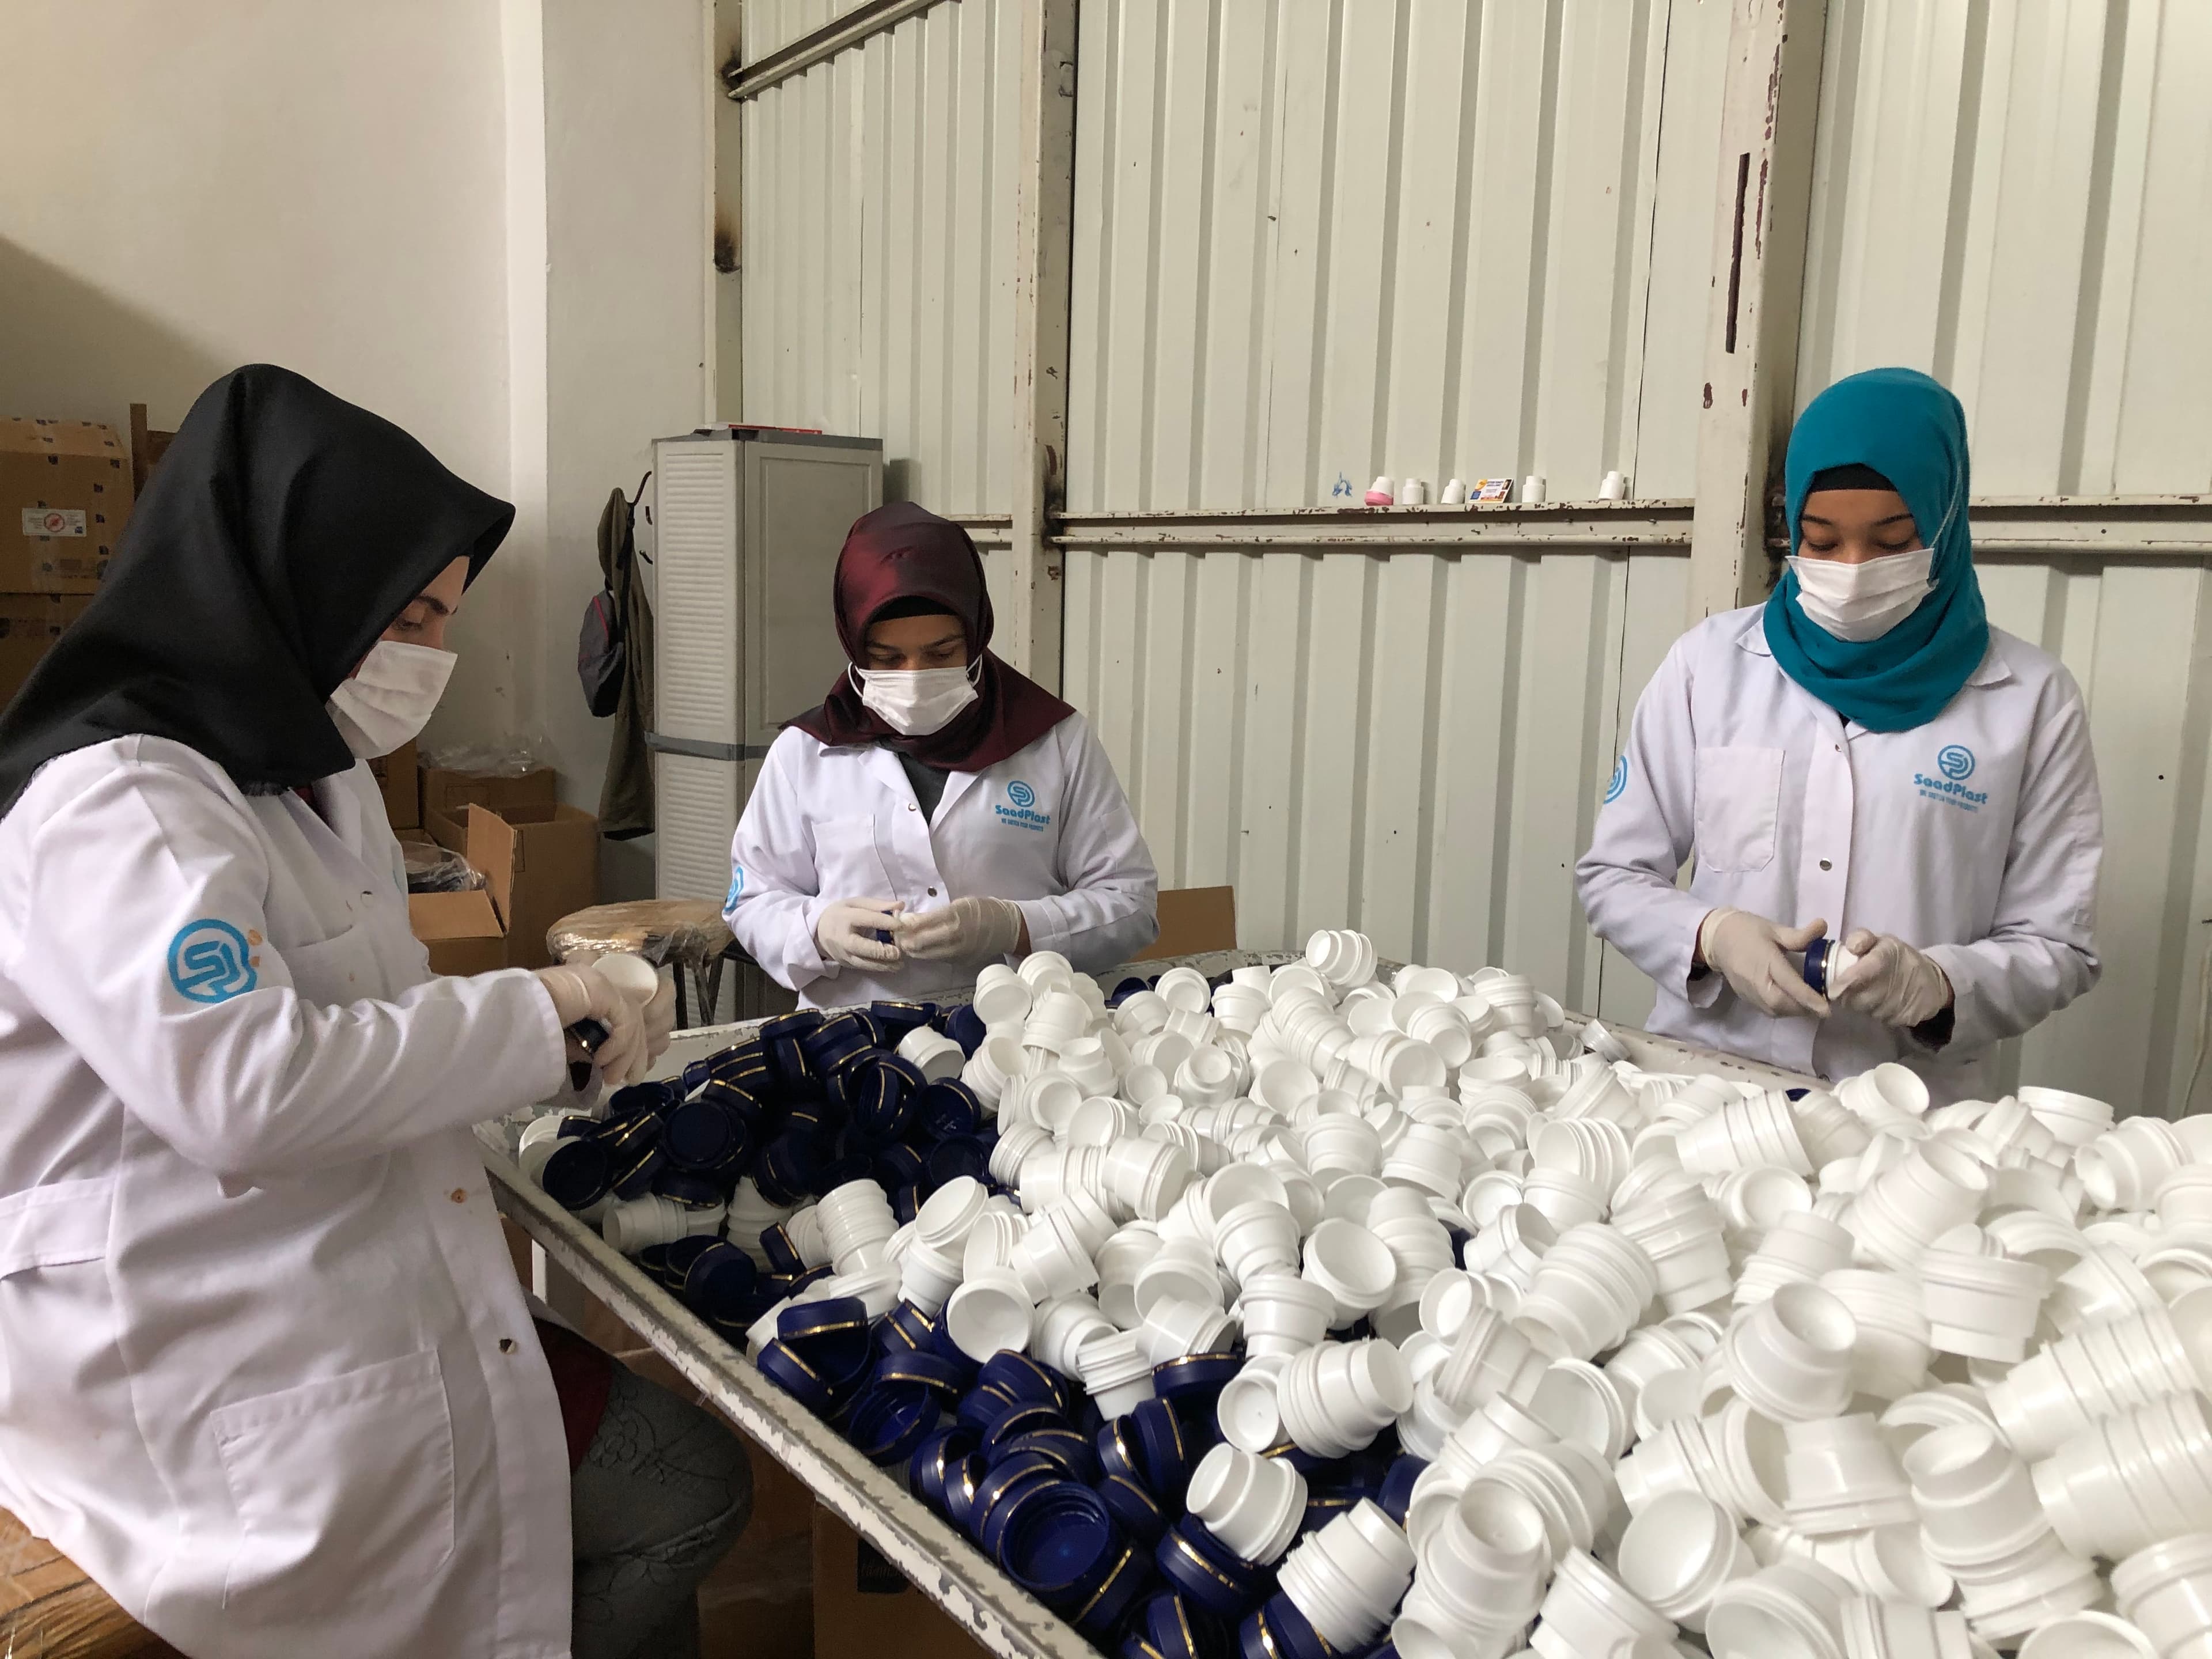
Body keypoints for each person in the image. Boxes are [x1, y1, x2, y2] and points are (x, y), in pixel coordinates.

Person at [0, 366, 748, 1658]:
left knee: (636, 1489)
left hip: (336, 1264)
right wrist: (544, 1009)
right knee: (683, 1491)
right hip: (206, 1340)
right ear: (286, 581)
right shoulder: (123, 802)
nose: (428, 661)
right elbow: (247, 1089)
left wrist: (559, 1043)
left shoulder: (312, 778)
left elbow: (369, 1027)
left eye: (442, 622)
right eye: (403, 616)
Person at [1577, 367, 2103, 1103]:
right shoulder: (1711, 667)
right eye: (1820, 542)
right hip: (1706, 1089)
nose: (1853, 571)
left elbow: (2058, 945)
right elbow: (1613, 876)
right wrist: (1714, 935)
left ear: (1945, 526)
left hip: (1906, 1119)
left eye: (1892, 541)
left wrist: (1943, 984)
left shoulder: (2031, 701)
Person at [727, 502, 1158, 1005]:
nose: (913, 678)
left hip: (1017, 1041)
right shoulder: (805, 753)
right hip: (852, 1046)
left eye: (941, 654)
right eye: (886, 659)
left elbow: (1131, 904)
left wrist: (1017, 926)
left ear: (975, 636)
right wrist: (818, 930)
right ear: (853, 643)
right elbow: (752, 901)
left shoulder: (1053, 739)